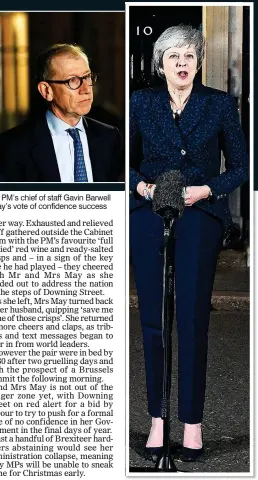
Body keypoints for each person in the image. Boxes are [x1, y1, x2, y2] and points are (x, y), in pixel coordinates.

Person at [130, 25, 248, 462]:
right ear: (160, 63)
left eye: (190, 56)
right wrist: (141, 188)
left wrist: (204, 190)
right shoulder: (140, 103)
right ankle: (159, 419)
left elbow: (240, 167)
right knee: (155, 319)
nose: (182, 63)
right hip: (148, 216)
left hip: (200, 216)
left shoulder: (219, 104)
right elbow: (121, 165)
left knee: (193, 318)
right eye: (174, 56)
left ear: (198, 63)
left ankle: (192, 424)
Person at [0, 43, 122, 182]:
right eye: (73, 80)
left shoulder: (109, 137)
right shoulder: (12, 147)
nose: (86, 89)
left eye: (87, 77)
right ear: (47, 91)